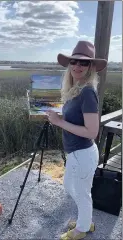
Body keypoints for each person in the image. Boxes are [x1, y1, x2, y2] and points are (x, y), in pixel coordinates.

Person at [46, 41, 107, 240]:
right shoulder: (76, 89)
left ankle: (82, 229)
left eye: (83, 63)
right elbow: (76, 118)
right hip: (76, 153)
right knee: (72, 187)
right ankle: (85, 219)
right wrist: (60, 116)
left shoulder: (88, 92)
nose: (77, 66)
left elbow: (92, 131)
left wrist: (59, 122)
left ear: (90, 67)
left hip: (82, 153)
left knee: (81, 192)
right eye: (74, 61)